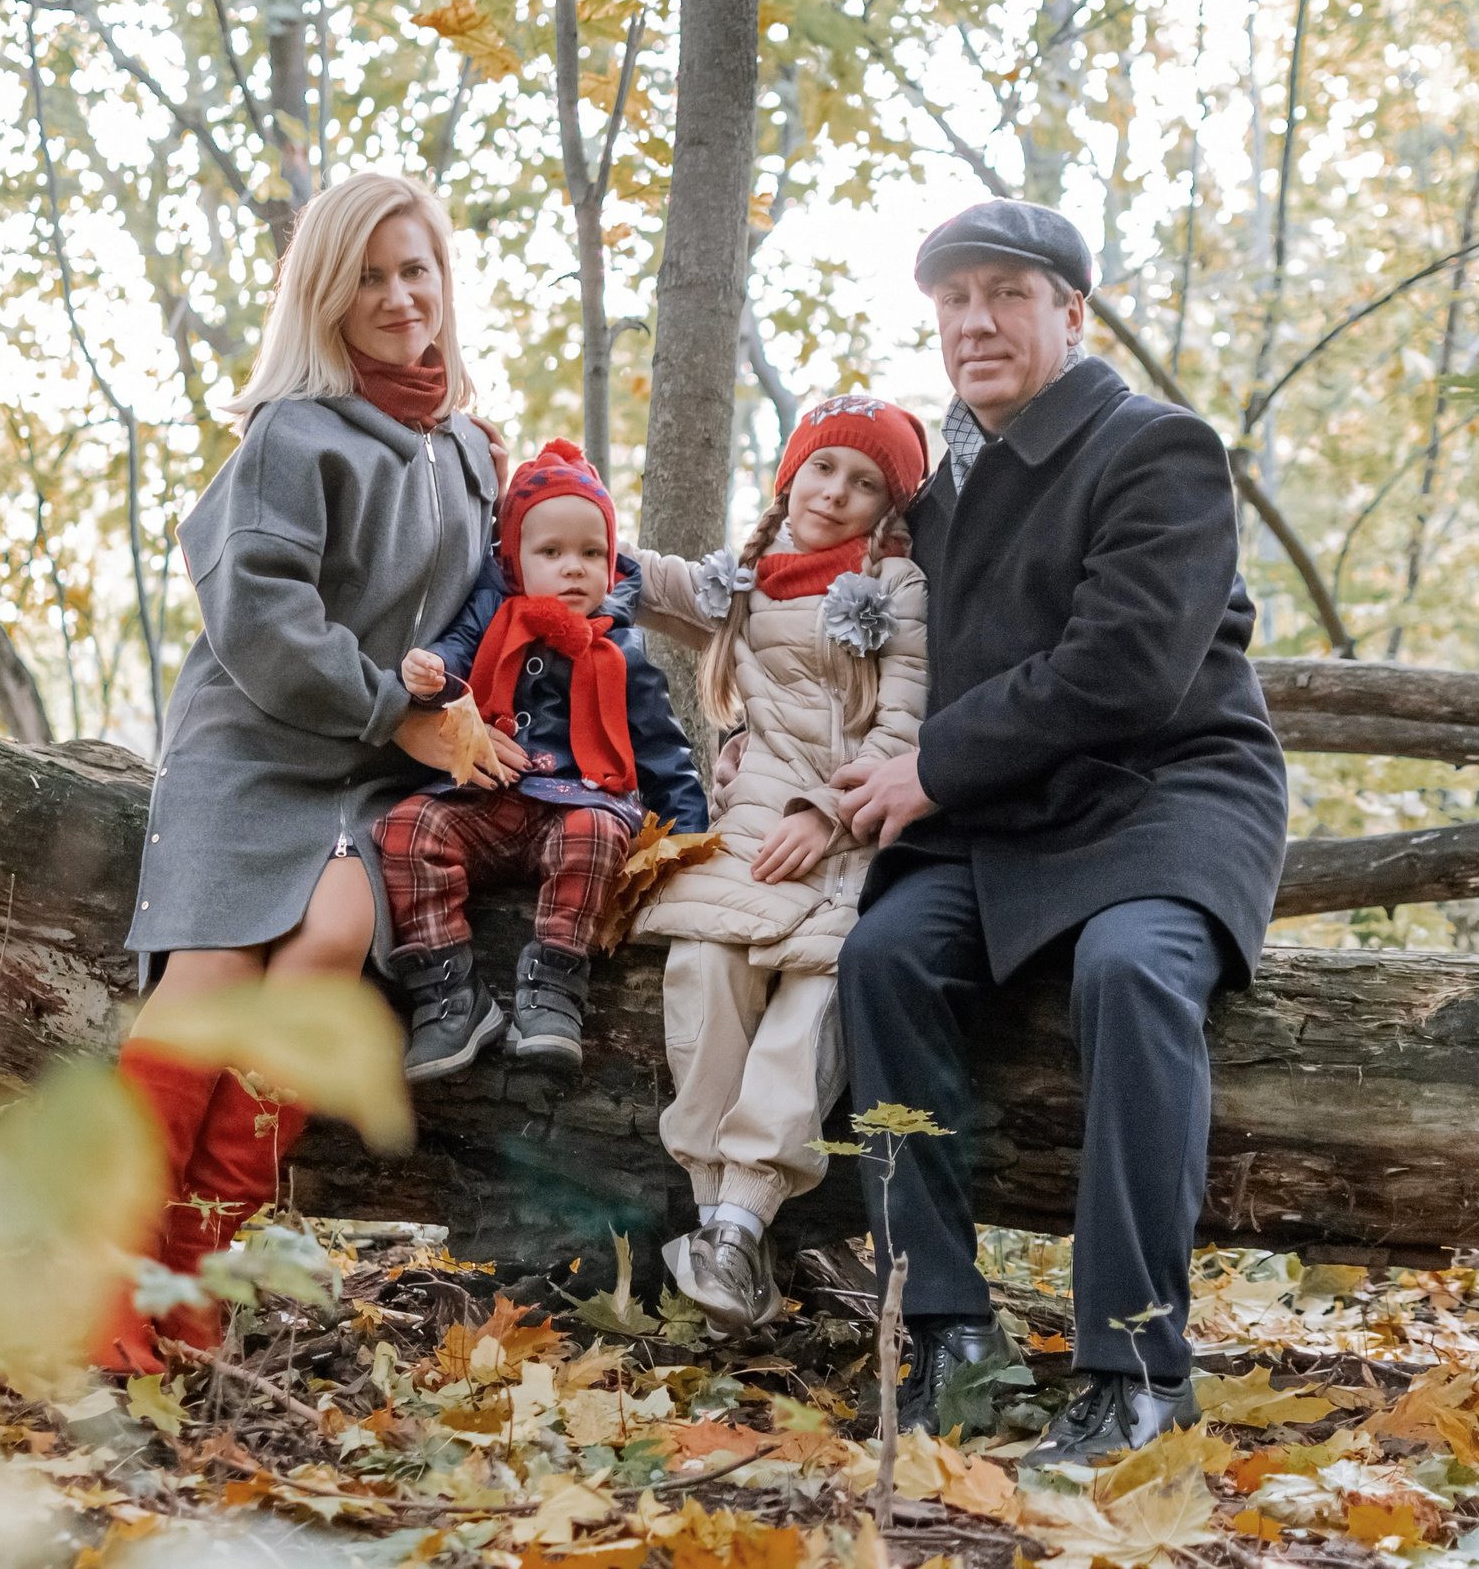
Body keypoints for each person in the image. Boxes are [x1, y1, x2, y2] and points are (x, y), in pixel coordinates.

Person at [832, 200, 1289, 1463]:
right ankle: (948, 1334)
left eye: (1005, 295)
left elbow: (1128, 669)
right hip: (995, 819)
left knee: (1131, 971)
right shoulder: (928, 487)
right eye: (952, 301)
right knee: (878, 964)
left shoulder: (1156, 448)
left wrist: (930, 767)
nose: (973, 322)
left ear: (1071, 315)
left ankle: (1137, 1369)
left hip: (1164, 796)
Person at [107, 173, 522, 1374]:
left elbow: (492, 609)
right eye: (370, 277)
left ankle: (195, 1276)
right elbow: (260, 619)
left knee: (334, 942)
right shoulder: (294, 432)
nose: (399, 298)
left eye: (417, 270)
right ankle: (108, 1283)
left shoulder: (473, 451)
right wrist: (396, 715)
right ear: (325, 297)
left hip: (378, 771)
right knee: (213, 970)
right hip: (259, 741)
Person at [627, 396, 932, 1335]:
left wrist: (831, 813)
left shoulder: (897, 589)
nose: (835, 493)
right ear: (789, 473)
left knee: (814, 991)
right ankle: (724, 1225)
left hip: (850, 839)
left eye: (864, 481)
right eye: (823, 468)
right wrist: (537, 492)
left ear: (888, 503)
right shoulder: (747, 581)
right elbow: (638, 574)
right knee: (705, 969)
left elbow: (905, 727)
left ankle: (742, 1215)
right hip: (750, 836)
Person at [378, 439, 707, 1079]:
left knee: (596, 831)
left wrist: (688, 843)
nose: (573, 568)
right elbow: (456, 652)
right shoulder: (495, 617)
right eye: (550, 553)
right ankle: (448, 993)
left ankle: (554, 984)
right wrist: (432, 673)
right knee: (407, 827)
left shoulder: (623, 653)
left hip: (578, 803)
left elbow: (666, 752)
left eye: (591, 553)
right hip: (487, 801)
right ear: (515, 562)